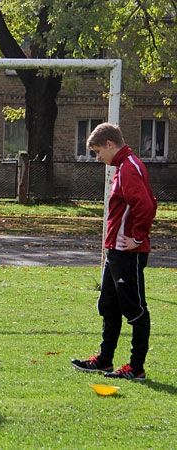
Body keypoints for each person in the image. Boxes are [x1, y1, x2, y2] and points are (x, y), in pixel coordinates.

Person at [71, 122, 157, 381]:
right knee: (109, 304)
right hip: (114, 250)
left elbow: (146, 205)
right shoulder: (122, 166)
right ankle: (104, 360)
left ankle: (136, 367)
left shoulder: (129, 167)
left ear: (110, 144)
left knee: (135, 308)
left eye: (98, 152)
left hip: (127, 251)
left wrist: (137, 237)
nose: (98, 158)